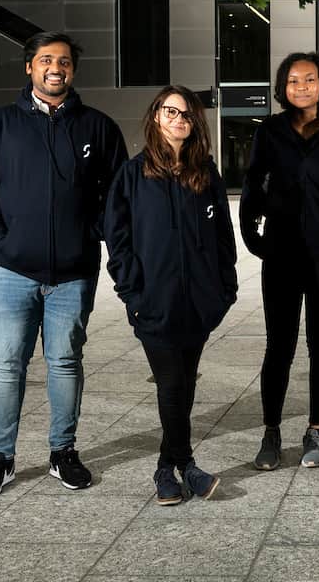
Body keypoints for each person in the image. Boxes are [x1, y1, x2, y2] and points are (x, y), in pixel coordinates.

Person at [0, 31, 127, 498]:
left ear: (74, 70)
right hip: (11, 271)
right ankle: (0, 459)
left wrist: (92, 232)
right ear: (29, 67)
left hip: (73, 274)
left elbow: (118, 194)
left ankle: (63, 453)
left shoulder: (98, 127)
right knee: (6, 365)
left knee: (66, 363)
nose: (57, 68)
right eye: (47, 60)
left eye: (65, 61)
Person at [104, 85, 237, 504]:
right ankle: (186, 466)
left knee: (184, 384)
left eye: (187, 114)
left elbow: (222, 238)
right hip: (153, 301)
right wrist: (132, 292)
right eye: (171, 111)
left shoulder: (205, 173)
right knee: (171, 382)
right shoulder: (133, 174)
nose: (180, 119)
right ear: (156, 116)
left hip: (199, 303)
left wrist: (224, 290)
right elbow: (117, 238)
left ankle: (166, 468)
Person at [239, 53, 319, 471]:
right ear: (283, 87)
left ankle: (315, 430)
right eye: (294, 81)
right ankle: (271, 432)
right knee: (279, 345)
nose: (302, 87)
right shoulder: (270, 131)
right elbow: (253, 183)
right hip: (283, 254)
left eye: (310, 80)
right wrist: (252, 236)